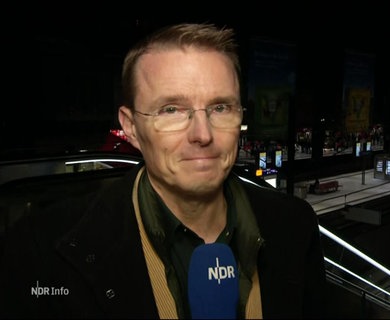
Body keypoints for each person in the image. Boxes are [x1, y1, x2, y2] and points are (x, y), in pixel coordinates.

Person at [0, 23, 327, 318]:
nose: (203, 134)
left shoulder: (295, 226)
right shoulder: (40, 252)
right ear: (130, 127)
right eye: (171, 110)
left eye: (221, 107)